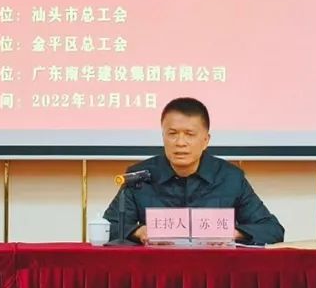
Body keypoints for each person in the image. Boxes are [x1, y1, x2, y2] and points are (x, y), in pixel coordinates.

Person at [103, 97, 285, 245]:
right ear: (163, 136)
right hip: (158, 269)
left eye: (189, 134)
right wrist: (138, 231)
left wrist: (233, 233)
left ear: (206, 140)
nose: (180, 143)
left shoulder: (230, 177)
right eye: (172, 134)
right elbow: (107, 228)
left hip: (214, 269)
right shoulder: (140, 176)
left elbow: (273, 230)